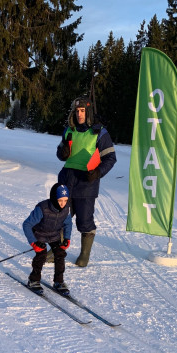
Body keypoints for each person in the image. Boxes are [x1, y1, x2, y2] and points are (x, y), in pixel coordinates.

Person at [56, 96, 117, 267]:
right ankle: (56, 250)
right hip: (67, 179)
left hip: (86, 182)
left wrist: (98, 172)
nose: (79, 114)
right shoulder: (69, 130)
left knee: (84, 220)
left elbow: (110, 158)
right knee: (60, 217)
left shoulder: (100, 132)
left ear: (88, 111)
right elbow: (60, 152)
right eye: (77, 111)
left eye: (82, 111)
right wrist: (63, 153)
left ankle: (84, 253)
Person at [23, 183, 72, 296]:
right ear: (54, 198)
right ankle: (33, 280)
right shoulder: (42, 208)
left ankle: (59, 282)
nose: (63, 204)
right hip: (39, 234)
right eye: (60, 200)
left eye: (65, 200)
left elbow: (68, 224)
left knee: (60, 253)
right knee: (42, 254)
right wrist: (33, 242)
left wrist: (67, 238)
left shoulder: (66, 209)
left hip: (54, 234)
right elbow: (27, 224)